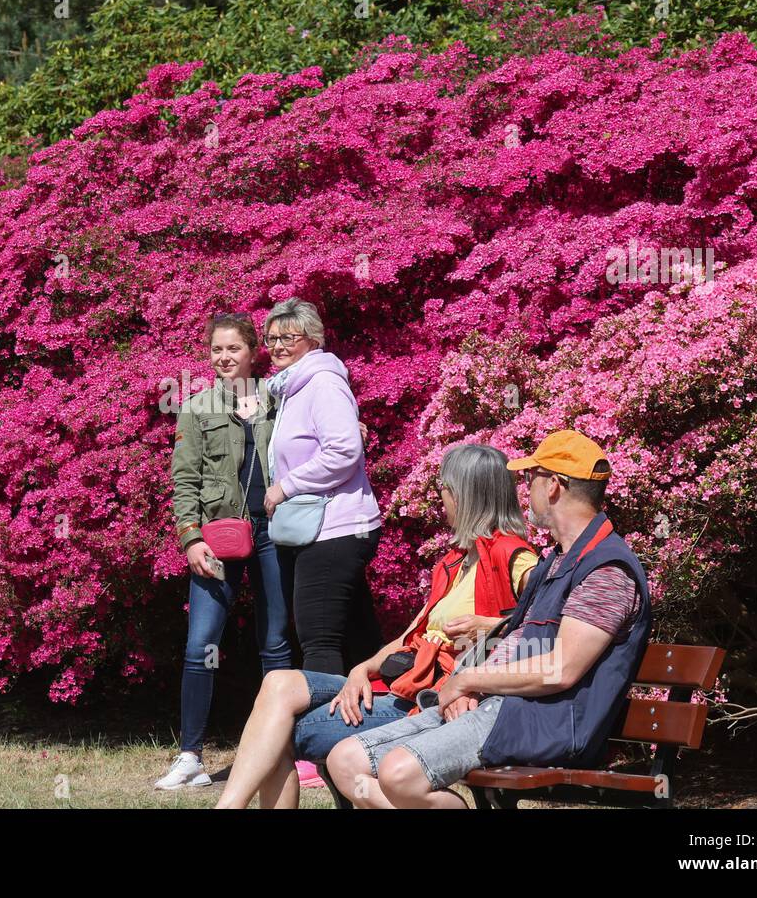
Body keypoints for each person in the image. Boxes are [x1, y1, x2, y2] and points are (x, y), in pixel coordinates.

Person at [325, 430, 652, 809]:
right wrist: (474, 689)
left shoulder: (605, 570)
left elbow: (561, 669)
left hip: (547, 722)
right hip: (505, 707)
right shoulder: (560, 561)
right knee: (345, 761)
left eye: (531, 478)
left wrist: (467, 679)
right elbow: (517, 640)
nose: (524, 489)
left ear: (555, 486)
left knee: (400, 774)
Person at [216, 443, 536, 808]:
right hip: (404, 677)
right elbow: (409, 636)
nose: (440, 498)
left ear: (467, 495)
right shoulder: (454, 561)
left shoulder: (513, 556)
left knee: (280, 731)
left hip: (429, 695)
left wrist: (490, 624)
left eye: (444, 489)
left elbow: (545, 624)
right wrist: (361, 670)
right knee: (278, 683)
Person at [156, 313, 292, 789]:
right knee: (201, 646)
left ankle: (281, 750)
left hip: (275, 532)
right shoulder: (196, 407)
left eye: (233, 349)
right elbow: (183, 479)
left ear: (253, 351)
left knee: (274, 643)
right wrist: (190, 537)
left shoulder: (281, 400)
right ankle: (190, 755)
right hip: (219, 535)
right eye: (216, 350)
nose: (224, 358)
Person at [262, 297, 383, 675]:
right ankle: (390, 722)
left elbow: (344, 450)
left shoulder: (323, 383)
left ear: (312, 339)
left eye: (288, 337)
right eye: (271, 338)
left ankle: (322, 734)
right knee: (358, 636)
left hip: (333, 528)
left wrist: (286, 486)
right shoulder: (292, 388)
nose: (278, 346)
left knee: (319, 640)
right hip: (319, 527)